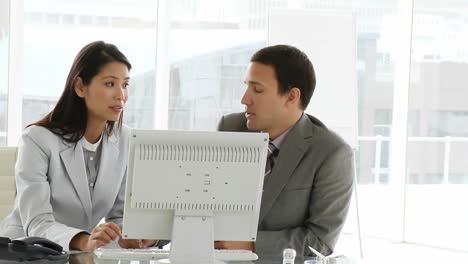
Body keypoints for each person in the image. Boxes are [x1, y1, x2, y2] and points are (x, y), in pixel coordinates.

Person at [0, 41, 154, 251]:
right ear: (81, 87)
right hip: (26, 251)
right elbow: (37, 223)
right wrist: (84, 240)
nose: (121, 95)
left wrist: (128, 235)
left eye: (125, 84)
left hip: (79, 255)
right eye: (110, 84)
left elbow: (120, 216)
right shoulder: (36, 140)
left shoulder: (125, 138)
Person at [216, 45, 354, 257]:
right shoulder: (230, 128)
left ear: (291, 97)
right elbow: (199, 195)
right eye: (246, 87)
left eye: (257, 90)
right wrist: (158, 235)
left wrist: (249, 244)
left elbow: (319, 241)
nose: (244, 99)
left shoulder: (332, 154)